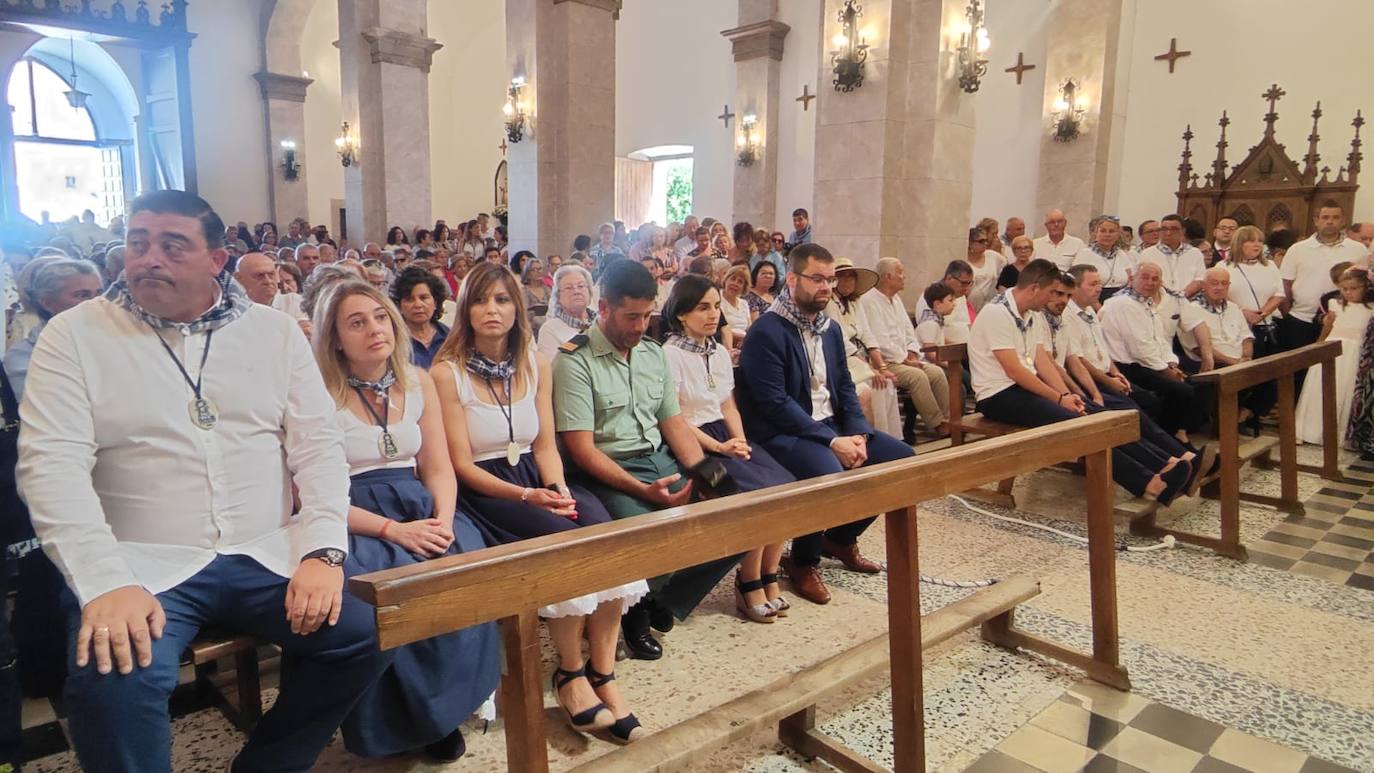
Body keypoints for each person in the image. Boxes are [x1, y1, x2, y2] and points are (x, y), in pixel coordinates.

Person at [17, 190, 389, 773]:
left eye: (172, 245)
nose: (149, 258)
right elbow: (50, 466)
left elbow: (319, 448)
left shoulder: (274, 333)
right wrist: (103, 581)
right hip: (141, 559)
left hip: (264, 547)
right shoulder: (75, 336)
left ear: (216, 260)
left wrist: (323, 549)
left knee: (368, 632)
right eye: (138, 243)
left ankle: (269, 764)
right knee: (113, 677)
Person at [431, 263, 648, 744]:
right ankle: (570, 675)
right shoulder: (447, 374)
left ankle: (604, 673)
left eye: (503, 300)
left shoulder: (535, 362)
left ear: (517, 309)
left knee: (610, 538)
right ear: (465, 308)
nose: (492, 310)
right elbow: (461, 465)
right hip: (486, 490)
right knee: (566, 547)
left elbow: (546, 444)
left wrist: (560, 490)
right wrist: (529, 496)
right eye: (482, 300)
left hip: (536, 474)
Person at [312, 281, 499, 761]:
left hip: (420, 503)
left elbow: (438, 466)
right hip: (354, 516)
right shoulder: (317, 395)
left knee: (465, 566)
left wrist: (444, 519)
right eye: (356, 322)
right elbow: (314, 495)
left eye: (379, 316)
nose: (374, 328)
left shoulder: (418, 381)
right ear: (334, 339)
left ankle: (443, 709)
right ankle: (400, 722)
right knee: (390, 587)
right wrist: (394, 530)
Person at [554, 261, 738, 661]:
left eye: (647, 316)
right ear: (604, 308)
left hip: (660, 458)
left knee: (735, 514)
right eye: (631, 317)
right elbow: (582, 450)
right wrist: (642, 490)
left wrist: (704, 469)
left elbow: (671, 422)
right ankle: (635, 609)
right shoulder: (574, 361)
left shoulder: (651, 353)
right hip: (609, 471)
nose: (640, 326)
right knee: (647, 535)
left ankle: (658, 598)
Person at [736, 244, 915, 606]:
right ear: (792, 279)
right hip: (782, 431)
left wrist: (858, 434)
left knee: (900, 458)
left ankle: (840, 537)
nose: (826, 287)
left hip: (829, 424)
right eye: (817, 279)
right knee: (829, 471)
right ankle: (803, 562)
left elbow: (844, 387)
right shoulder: (768, 331)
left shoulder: (830, 329)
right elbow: (775, 404)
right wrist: (833, 443)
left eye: (830, 280)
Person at [661, 275, 795, 622]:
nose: (713, 314)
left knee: (787, 486)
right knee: (754, 496)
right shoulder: (669, 354)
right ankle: (748, 579)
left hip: (726, 436)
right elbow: (674, 417)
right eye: (703, 307)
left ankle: (769, 571)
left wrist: (742, 443)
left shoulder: (719, 351)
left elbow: (728, 406)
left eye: (717, 306)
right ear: (680, 314)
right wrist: (720, 446)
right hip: (693, 442)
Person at [1009, 266, 1198, 503]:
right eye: (1056, 294)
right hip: (1034, 390)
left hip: (1063, 386)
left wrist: (1091, 390)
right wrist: (1072, 394)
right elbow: (1045, 365)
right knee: (1097, 422)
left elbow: (1072, 358)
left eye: (1065, 295)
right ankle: (1159, 474)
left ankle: (1170, 464)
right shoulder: (1024, 316)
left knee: (1117, 414)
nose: (1060, 300)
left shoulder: (1054, 317)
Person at [1100, 262, 1206, 443]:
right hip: (1125, 367)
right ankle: (1167, 440)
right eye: (1145, 277)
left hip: (1147, 363)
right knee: (1180, 392)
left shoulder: (1146, 303)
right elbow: (1139, 347)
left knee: (1197, 387)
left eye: (1155, 279)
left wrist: (1171, 363)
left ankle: (1175, 436)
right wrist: (1164, 370)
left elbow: (1161, 339)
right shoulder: (1123, 303)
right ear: (1132, 279)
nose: (1150, 283)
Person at [859, 258, 950, 436]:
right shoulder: (869, 301)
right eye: (900, 272)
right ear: (887, 276)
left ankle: (948, 420)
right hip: (885, 362)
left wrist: (912, 352)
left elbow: (909, 330)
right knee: (918, 377)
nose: (904, 276)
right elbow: (879, 341)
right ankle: (937, 424)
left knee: (937, 373)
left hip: (906, 358)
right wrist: (905, 360)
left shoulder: (896, 299)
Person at [1177, 268, 1274, 432]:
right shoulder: (1191, 309)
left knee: (1275, 372)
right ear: (1204, 285)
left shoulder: (1233, 308)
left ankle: (1243, 413)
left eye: (1224, 284)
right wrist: (1234, 362)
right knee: (1229, 378)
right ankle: (1226, 425)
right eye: (1214, 283)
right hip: (1213, 363)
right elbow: (1198, 349)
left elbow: (1246, 337)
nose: (1219, 287)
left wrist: (1246, 358)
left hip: (1239, 360)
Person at [3, 256, 103, 397]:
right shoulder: (25, 356)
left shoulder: (113, 337)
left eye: (99, 294)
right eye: (82, 295)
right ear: (47, 303)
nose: (96, 302)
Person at [1296, 268, 1374, 445]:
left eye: (1354, 288)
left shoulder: (1370, 308)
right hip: (1332, 348)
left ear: (1365, 287)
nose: (1348, 292)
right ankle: (1312, 430)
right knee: (1321, 388)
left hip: (1355, 353)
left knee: (1346, 390)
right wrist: (1318, 346)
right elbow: (1327, 328)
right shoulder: (1334, 304)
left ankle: (1340, 433)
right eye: (1344, 288)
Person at [1280, 201, 1370, 352]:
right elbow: (1285, 284)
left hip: (1341, 321)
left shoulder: (1357, 249)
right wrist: (1288, 314)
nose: (1330, 221)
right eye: (1325, 217)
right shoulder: (1297, 249)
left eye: (1335, 217)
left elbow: (1364, 283)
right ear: (1316, 220)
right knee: (1298, 369)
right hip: (1301, 319)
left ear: (1343, 221)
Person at [827, 258, 901, 436]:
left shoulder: (854, 302)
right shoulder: (829, 303)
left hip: (862, 356)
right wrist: (869, 369)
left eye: (851, 277)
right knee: (873, 384)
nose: (847, 281)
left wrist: (881, 366)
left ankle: (893, 437)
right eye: (842, 277)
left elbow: (867, 334)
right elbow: (842, 342)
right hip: (845, 359)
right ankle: (874, 434)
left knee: (887, 382)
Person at [391, 266, 449, 369]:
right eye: (409, 299)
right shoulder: (393, 340)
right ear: (399, 306)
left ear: (435, 302)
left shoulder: (450, 336)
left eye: (424, 298)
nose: (418, 304)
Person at [536, 264, 596, 360]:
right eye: (569, 288)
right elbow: (554, 369)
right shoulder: (550, 329)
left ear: (589, 292)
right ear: (558, 296)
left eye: (581, 286)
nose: (576, 291)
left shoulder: (602, 322)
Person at [1138, 214, 1207, 297]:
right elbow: (1143, 279)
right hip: (1158, 299)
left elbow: (1200, 279)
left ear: (1183, 231)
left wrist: (1183, 294)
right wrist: (1168, 296)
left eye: (1174, 229)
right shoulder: (1148, 253)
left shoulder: (1195, 253)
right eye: (1164, 229)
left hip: (1187, 299)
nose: (1168, 233)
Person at [1074, 216, 1135, 303]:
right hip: (1094, 301)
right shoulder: (1085, 254)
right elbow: (1079, 285)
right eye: (1103, 231)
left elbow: (1130, 280)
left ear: (1117, 235)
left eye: (1112, 231)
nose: (1107, 235)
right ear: (1095, 234)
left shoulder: (1122, 254)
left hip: (1120, 301)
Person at [914, 260, 975, 345]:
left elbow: (966, 324)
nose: (966, 288)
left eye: (969, 283)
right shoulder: (933, 295)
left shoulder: (960, 295)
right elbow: (929, 337)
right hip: (945, 351)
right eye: (963, 283)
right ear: (949, 278)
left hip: (964, 349)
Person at [235, 251, 305, 321]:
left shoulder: (294, 301)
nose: (268, 281)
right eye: (259, 275)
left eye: (271, 274)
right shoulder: (233, 309)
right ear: (238, 278)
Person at [965, 226, 1004, 310]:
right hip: (970, 308)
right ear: (970, 243)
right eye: (981, 241)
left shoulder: (993, 256)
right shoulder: (964, 262)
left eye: (986, 240)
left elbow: (1006, 269)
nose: (985, 243)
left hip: (990, 306)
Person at [720, 264, 754, 339]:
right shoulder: (717, 299)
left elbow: (749, 328)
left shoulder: (744, 303)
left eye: (740, 282)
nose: (735, 283)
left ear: (744, 287)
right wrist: (743, 337)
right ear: (726, 280)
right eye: (733, 279)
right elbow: (719, 329)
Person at [521, 257, 551, 329]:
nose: (538, 272)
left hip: (548, 324)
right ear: (528, 273)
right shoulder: (524, 291)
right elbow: (523, 313)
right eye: (534, 269)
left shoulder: (547, 289)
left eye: (540, 269)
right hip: (531, 326)